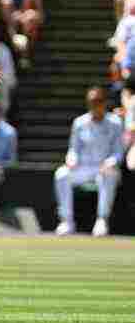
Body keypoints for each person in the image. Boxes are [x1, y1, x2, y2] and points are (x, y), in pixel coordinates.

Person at [54, 86, 124, 237]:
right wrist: (71, 160)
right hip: (83, 168)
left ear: (104, 103)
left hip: (105, 168)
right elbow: (73, 149)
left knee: (108, 175)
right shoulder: (79, 123)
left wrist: (110, 162)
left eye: (98, 102)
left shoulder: (115, 122)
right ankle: (66, 221)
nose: (94, 105)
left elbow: (118, 152)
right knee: (62, 174)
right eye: (91, 102)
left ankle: (102, 220)